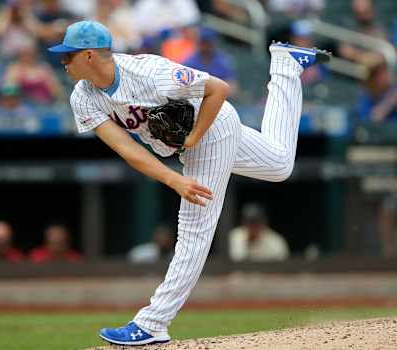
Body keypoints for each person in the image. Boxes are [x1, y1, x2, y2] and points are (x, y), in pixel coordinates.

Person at [47, 20, 330, 345]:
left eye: (67, 56)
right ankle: (285, 66)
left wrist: (193, 139)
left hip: (211, 128)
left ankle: (153, 322)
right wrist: (172, 178)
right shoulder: (83, 97)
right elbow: (128, 150)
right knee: (279, 164)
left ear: (88, 56)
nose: (62, 62)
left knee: (195, 230)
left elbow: (219, 89)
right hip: (194, 142)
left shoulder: (150, 72)